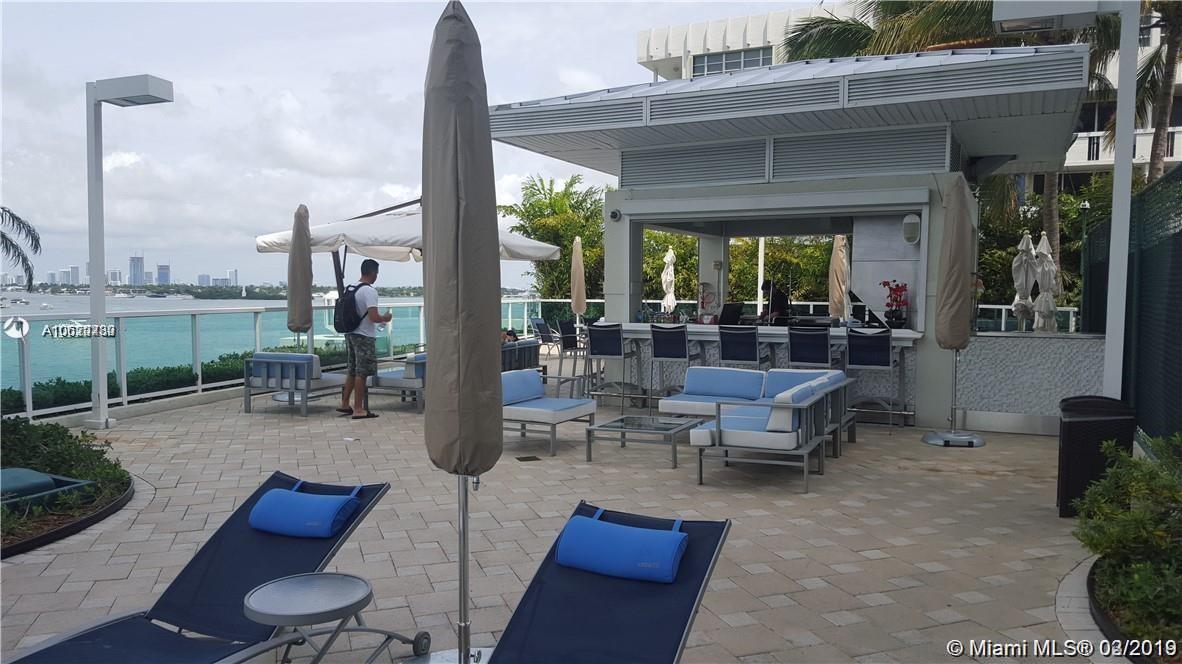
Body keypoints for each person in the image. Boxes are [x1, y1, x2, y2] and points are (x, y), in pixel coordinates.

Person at [338, 259, 392, 419]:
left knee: (352, 370)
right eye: (377, 273)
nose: (377, 276)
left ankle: (344, 403)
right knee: (362, 372)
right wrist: (386, 318)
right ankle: (358, 408)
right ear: (373, 272)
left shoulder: (351, 288)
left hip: (351, 333)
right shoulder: (369, 291)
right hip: (364, 336)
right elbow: (374, 317)